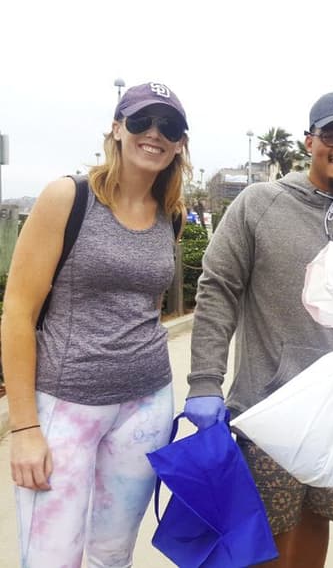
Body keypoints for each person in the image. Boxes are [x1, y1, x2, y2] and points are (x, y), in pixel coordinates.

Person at [184, 90, 333, 568]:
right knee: (263, 541)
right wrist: (205, 381)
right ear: (309, 141)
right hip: (269, 409)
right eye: (331, 134)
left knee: (317, 524)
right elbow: (218, 290)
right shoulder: (259, 204)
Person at [1, 82, 190, 566]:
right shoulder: (68, 198)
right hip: (67, 404)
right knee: (49, 557)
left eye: (169, 126)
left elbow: (144, 306)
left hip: (146, 404)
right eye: (142, 120)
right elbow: (18, 312)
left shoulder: (171, 214)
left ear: (179, 144)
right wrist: (25, 427)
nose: (154, 133)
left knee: (113, 554)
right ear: (117, 128)